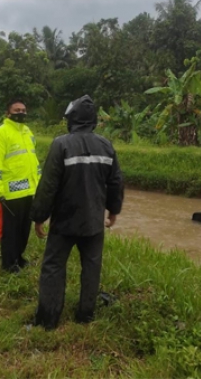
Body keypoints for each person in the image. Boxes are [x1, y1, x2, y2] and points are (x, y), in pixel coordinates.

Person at [31, 95, 124, 330]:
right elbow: (115, 183)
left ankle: (48, 322)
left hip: (64, 222)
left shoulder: (60, 144)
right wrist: (113, 210)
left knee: (53, 267)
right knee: (92, 268)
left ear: (71, 119)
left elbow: (48, 185)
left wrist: (39, 216)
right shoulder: (106, 145)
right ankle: (85, 317)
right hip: (94, 222)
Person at [0, 99, 41, 273]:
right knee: (11, 230)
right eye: (17, 110)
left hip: (28, 189)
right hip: (11, 191)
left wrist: (39, 183)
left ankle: (19, 257)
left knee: (24, 229)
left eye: (23, 110)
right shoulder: (0, 133)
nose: (21, 113)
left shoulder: (27, 132)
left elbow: (33, 160)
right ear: (8, 113)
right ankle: (9, 263)